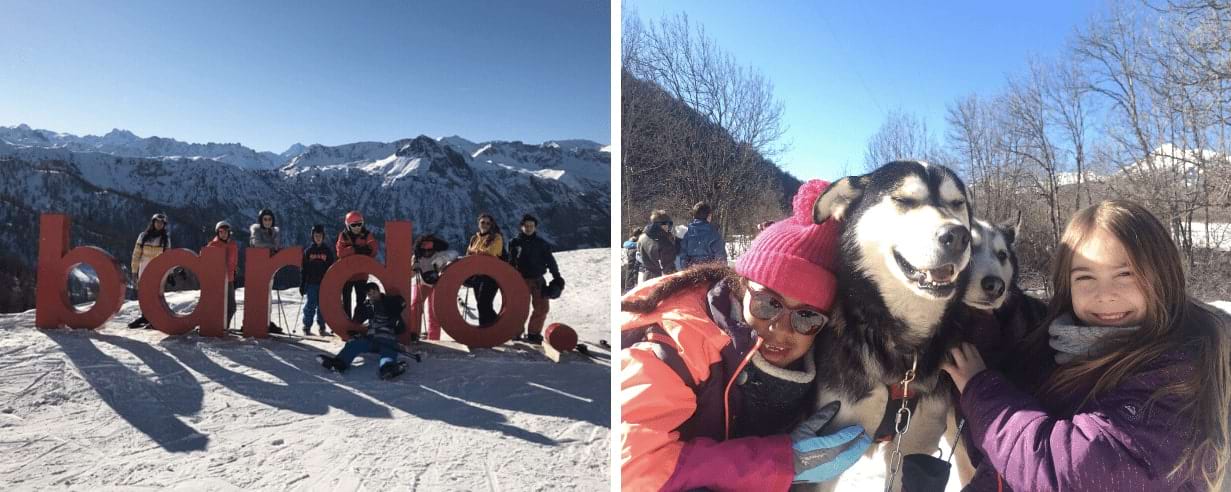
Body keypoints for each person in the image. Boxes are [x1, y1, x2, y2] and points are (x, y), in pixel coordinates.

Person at [942, 199, 1231, 491]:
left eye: (1125, 274)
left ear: (1164, 275)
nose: (1105, 295)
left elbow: (1067, 473)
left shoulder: (1177, 374)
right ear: (1066, 285)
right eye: (1085, 277)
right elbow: (997, 455)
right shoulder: (1061, 345)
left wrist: (981, 391)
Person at [620, 180, 871, 491]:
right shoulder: (678, 343)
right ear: (741, 288)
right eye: (768, 304)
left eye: (806, 316)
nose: (781, 328)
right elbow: (630, 467)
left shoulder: (820, 354)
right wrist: (778, 463)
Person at [317, 283, 407, 380]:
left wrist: (392, 305)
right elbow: (358, 319)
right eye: (370, 294)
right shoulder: (368, 306)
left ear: (379, 291)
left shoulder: (388, 302)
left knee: (388, 351)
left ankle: (388, 367)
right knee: (354, 344)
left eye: (374, 292)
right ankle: (340, 363)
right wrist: (362, 308)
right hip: (372, 339)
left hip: (387, 338)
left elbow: (401, 304)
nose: (372, 296)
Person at [507, 214, 563, 344]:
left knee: (542, 308)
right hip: (519, 279)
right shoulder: (514, 243)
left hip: (538, 280)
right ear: (521, 227)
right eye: (526, 226)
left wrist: (557, 277)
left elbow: (550, 261)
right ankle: (515, 332)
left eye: (531, 226)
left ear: (535, 227)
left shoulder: (542, 244)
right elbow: (510, 262)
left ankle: (533, 333)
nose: (528, 228)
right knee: (519, 308)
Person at [128, 213, 173, 329]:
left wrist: (170, 273)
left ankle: (154, 318)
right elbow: (136, 254)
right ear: (153, 223)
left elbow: (168, 257)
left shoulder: (165, 239)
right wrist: (134, 271)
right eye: (157, 222)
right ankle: (145, 316)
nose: (159, 224)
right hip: (143, 268)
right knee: (143, 293)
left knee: (154, 294)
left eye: (161, 223)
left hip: (157, 270)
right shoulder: (143, 236)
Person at [412, 233, 457, 341]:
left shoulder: (439, 254)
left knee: (434, 311)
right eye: (424, 250)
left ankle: (434, 338)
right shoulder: (417, 257)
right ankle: (413, 333)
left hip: (437, 284)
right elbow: (411, 275)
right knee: (415, 306)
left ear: (434, 248)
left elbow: (454, 253)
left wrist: (442, 259)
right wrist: (413, 268)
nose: (427, 253)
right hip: (422, 283)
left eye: (430, 250)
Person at [336, 211, 380, 320]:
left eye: (359, 224)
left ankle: (356, 322)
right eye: (353, 225)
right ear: (348, 225)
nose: (357, 227)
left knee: (361, 300)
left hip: (361, 275)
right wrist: (355, 249)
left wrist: (355, 251)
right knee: (346, 300)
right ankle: (346, 323)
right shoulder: (343, 236)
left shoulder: (367, 235)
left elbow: (373, 250)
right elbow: (340, 253)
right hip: (347, 275)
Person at [249, 208, 284, 334]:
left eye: (270, 219)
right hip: (257, 268)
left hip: (269, 268)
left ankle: (265, 321)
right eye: (265, 219)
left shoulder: (274, 232)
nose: (268, 221)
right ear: (261, 220)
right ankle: (255, 321)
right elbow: (257, 244)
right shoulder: (256, 231)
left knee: (268, 296)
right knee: (258, 295)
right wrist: (273, 247)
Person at [466, 213, 504, 326]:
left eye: (488, 223)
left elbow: (491, 253)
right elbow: (468, 255)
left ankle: (495, 329)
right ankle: (488, 331)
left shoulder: (497, 237)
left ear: (491, 224)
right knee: (481, 305)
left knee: (483, 304)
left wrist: (475, 253)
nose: (485, 225)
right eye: (483, 222)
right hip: (477, 276)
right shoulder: (474, 238)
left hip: (491, 276)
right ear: (478, 223)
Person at [300, 224, 336, 336]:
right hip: (311, 283)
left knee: (322, 306)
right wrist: (302, 283)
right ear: (312, 237)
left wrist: (331, 283)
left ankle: (322, 327)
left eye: (320, 235)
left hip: (324, 283)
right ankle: (307, 326)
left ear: (323, 236)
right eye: (316, 236)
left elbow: (332, 268)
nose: (318, 238)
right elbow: (304, 268)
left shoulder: (327, 251)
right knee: (310, 305)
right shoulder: (308, 251)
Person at [203, 220, 239, 330]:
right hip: (217, 280)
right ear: (217, 232)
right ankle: (217, 327)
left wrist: (234, 273)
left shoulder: (233, 244)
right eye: (221, 231)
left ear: (229, 232)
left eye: (226, 231)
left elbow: (233, 262)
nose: (223, 233)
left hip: (230, 279)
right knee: (219, 305)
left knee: (231, 307)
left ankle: (224, 327)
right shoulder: (213, 245)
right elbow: (204, 258)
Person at [678, 201, 727, 269]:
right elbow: (721, 259)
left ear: (694, 216)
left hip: (692, 274)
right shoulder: (714, 235)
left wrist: (687, 272)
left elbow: (683, 258)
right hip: (709, 275)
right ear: (709, 216)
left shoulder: (688, 235)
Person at [636, 210, 678, 283]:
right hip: (660, 280)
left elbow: (639, 257)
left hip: (646, 277)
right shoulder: (663, 241)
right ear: (662, 224)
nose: (669, 227)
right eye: (668, 224)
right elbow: (668, 267)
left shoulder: (642, 237)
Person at [622, 227, 642, 293]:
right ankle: (629, 289)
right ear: (638, 235)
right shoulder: (634, 243)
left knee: (630, 273)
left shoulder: (629, 242)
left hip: (628, 263)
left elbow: (625, 245)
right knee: (632, 273)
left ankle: (628, 289)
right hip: (632, 263)